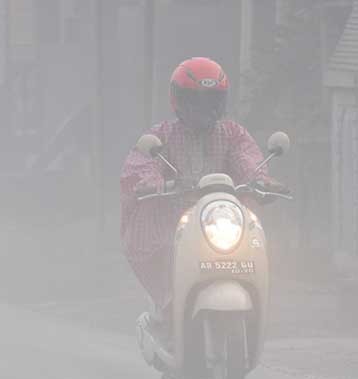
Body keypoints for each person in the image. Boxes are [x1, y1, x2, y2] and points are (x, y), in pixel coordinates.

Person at [120, 57, 288, 343]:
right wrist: (153, 182)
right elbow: (140, 164)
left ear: (221, 101)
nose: (202, 108)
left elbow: (247, 159)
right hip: (173, 221)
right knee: (156, 246)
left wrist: (262, 181)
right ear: (178, 100)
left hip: (223, 218)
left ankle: (253, 304)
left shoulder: (232, 133)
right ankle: (165, 305)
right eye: (194, 100)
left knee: (257, 243)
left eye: (210, 100)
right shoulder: (161, 135)